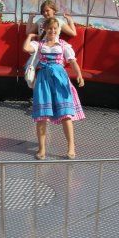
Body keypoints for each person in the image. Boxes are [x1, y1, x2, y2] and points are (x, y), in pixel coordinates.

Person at [23, 17, 84, 160]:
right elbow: (26, 48)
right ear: (45, 29)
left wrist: (79, 75)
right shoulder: (39, 44)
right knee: (42, 116)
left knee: (66, 114)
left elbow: (72, 61)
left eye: (55, 28)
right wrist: (30, 36)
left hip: (60, 79)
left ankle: (71, 147)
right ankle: (42, 149)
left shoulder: (63, 45)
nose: (53, 31)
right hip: (44, 80)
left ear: (59, 29)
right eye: (50, 28)